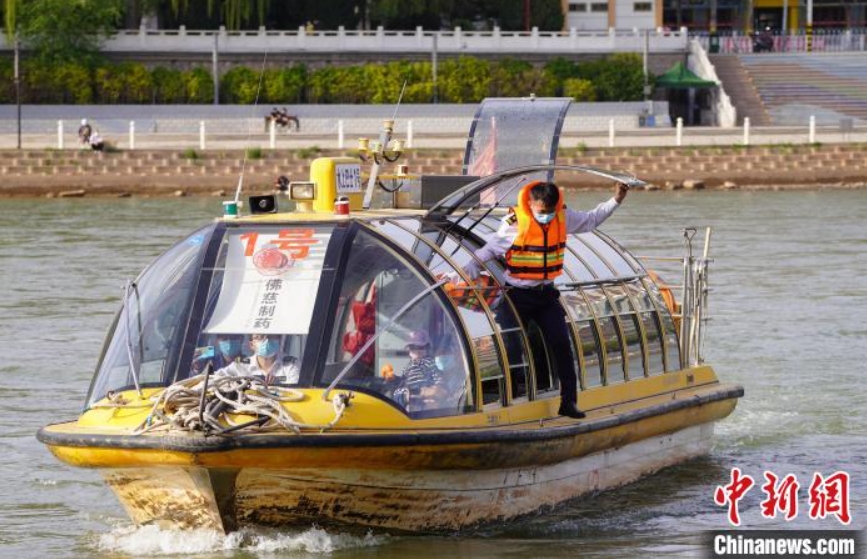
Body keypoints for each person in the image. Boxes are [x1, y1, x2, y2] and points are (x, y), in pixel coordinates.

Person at [460, 180, 628, 419]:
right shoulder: (513, 223)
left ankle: (568, 402)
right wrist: (470, 267)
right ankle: (512, 393)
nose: (546, 217)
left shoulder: (563, 216)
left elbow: (591, 220)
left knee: (562, 344)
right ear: (530, 204)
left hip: (546, 295)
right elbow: (490, 250)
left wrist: (616, 200)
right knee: (511, 343)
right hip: (517, 294)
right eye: (541, 213)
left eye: (550, 212)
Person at [215, 334, 300, 384]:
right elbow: (214, 379)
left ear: (279, 340)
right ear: (251, 345)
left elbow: (298, 389)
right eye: (259, 337)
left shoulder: (291, 365)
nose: (266, 340)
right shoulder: (241, 364)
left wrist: (278, 383)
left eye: (271, 336)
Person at [396, 330, 442, 411]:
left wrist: (434, 389)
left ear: (427, 348)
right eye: (413, 347)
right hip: (412, 398)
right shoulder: (408, 366)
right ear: (409, 350)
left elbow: (437, 378)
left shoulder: (429, 362)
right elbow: (402, 383)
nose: (417, 351)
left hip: (426, 397)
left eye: (421, 347)